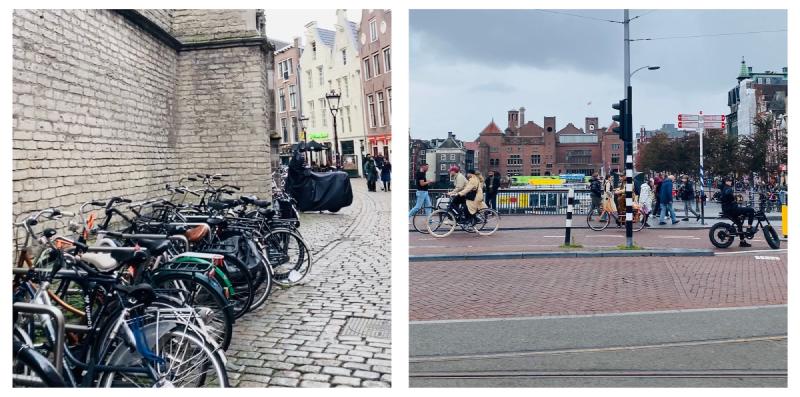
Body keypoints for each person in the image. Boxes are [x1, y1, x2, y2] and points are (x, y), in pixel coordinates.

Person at [720, 176, 756, 247]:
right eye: (729, 181)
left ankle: (742, 242)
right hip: (732, 209)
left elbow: (726, 197)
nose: (730, 182)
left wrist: (733, 199)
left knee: (739, 224)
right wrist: (733, 198)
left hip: (727, 209)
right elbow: (728, 194)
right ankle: (749, 227)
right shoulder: (728, 188)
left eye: (730, 181)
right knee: (751, 210)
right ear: (726, 181)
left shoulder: (723, 188)